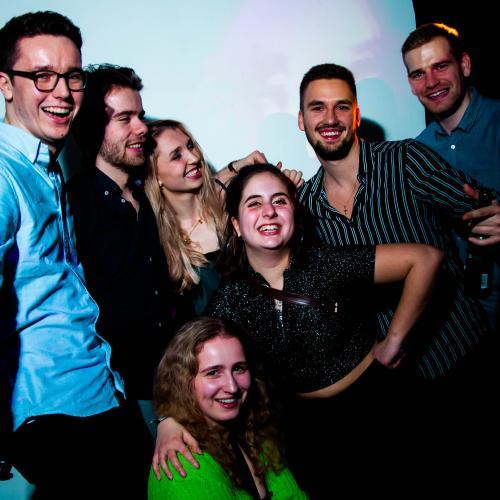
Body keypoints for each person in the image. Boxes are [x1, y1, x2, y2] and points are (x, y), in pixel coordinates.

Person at [295, 63, 498, 488]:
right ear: (302, 120)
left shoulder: (405, 160)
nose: (330, 118)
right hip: (397, 391)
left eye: (341, 107)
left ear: (356, 115)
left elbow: (482, 207)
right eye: (317, 108)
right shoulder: (305, 209)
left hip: (464, 354)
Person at [203, 164, 441, 496]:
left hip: (379, 407)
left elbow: (426, 259)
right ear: (236, 225)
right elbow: (190, 364)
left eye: (279, 200)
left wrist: (394, 340)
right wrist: (169, 424)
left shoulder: (326, 263)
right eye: (254, 203)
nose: (269, 211)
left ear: (294, 213)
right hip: (307, 432)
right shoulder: (229, 298)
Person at [0, 12, 150, 498]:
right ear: (5, 84)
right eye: (42, 75)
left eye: (72, 76)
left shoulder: (48, 170)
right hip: (54, 411)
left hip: (101, 390)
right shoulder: (4, 176)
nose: (62, 91)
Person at [69, 66, 179, 434]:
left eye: (141, 116)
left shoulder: (147, 196)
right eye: (125, 118)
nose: (142, 128)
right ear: (93, 128)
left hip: (174, 381)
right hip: (120, 398)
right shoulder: (75, 205)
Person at [401, 22, 500, 330]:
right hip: (467, 321)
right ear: (411, 84)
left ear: (464, 65)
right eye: (419, 74)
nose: (431, 82)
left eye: (440, 66)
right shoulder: (417, 151)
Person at [148, 316, 307, 499]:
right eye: (213, 372)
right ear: (182, 381)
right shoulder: (184, 468)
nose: (232, 387)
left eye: (239, 368)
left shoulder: (252, 430)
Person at [145, 119, 268, 316]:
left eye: (190, 146)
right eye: (177, 156)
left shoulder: (230, 209)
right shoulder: (160, 243)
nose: (193, 157)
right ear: (155, 176)